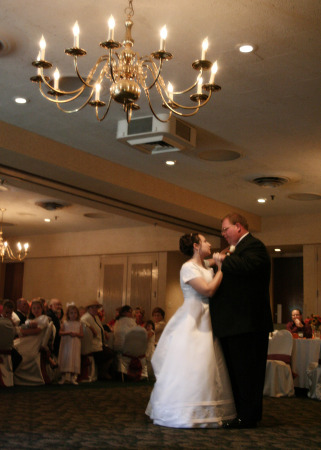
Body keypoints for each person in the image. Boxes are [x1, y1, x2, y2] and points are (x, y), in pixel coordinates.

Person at [146, 233, 236, 428]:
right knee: (193, 363)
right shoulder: (188, 267)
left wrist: (225, 253)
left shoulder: (203, 265)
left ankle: (205, 408)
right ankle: (185, 410)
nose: (209, 243)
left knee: (207, 364)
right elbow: (208, 290)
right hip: (193, 318)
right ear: (196, 246)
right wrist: (221, 269)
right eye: (205, 241)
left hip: (207, 317)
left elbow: (214, 258)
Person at [210, 213, 273, 429]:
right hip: (234, 324)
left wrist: (223, 260)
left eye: (225, 229)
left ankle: (248, 417)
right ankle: (242, 414)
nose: (223, 234)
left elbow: (247, 267)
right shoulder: (236, 250)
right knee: (236, 373)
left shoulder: (255, 246)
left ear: (238, 227)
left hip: (248, 324)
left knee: (248, 373)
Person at [80, 300, 115, 380]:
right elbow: (82, 323)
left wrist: (104, 332)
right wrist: (91, 328)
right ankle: (103, 372)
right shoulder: (86, 317)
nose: (95, 309)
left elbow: (100, 328)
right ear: (88, 308)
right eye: (93, 307)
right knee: (110, 354)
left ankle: (104, 372)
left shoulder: (95, 317)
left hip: (100, 344)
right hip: (93, 346)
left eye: (96, 307)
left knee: (112, 352)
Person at [58, 303, 84, 385]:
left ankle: (73, 377)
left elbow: (82, 334)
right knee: (66, 357)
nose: (73, 315)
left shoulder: (79, 323)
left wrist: (76, 334)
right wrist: (68, 333)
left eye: (75, 313)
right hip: (67, 343)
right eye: (71, 313)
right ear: (68, 314)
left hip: (75, 343)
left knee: (74, 358)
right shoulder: (65, 323)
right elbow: (60, 332)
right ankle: (63, 377)